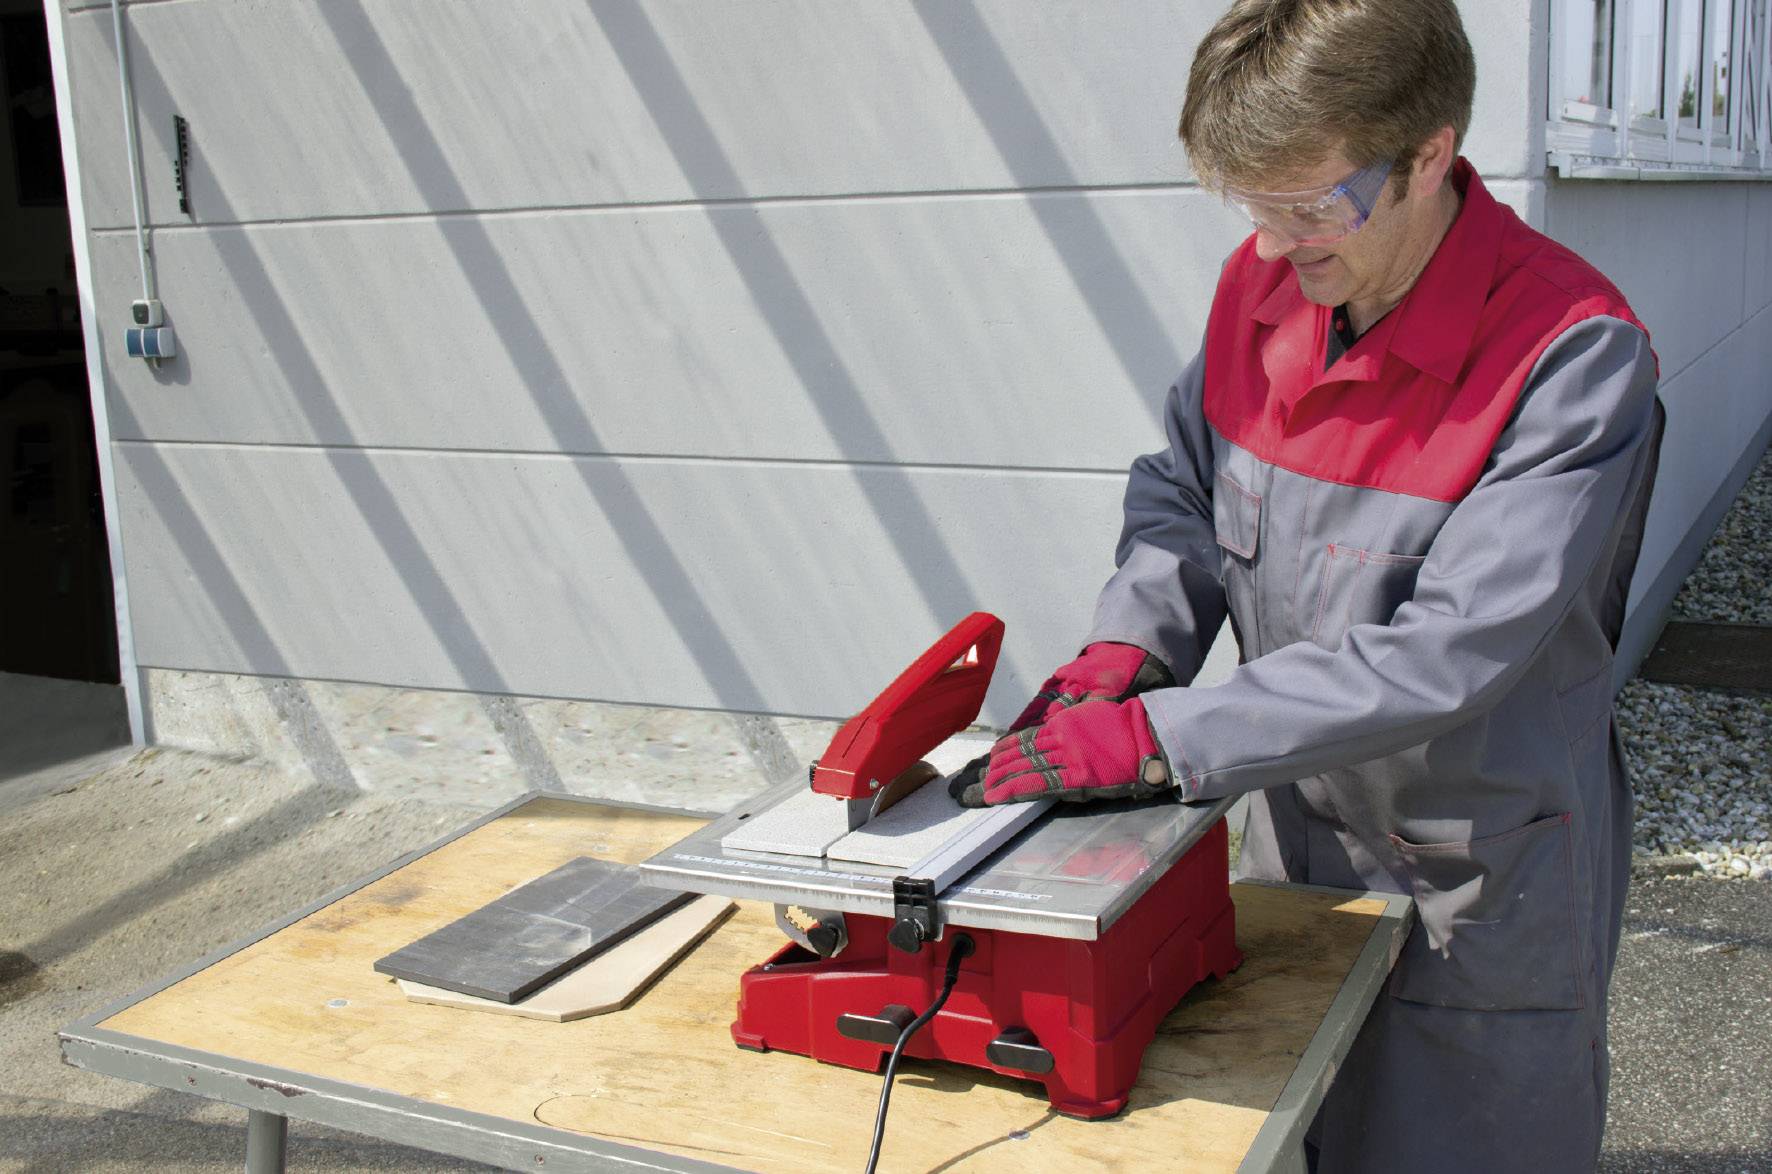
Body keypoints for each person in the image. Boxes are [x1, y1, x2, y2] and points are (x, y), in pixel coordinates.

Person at [952, 1, 1663, 1169]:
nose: (1275, 246)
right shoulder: (1266, 283)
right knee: (1299, 1134)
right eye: (1251, 207)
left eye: (1307, 205)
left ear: (1428, 154)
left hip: (1473, 876)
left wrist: (1154, 740)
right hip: (1295, 840)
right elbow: (1183, 489)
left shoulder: (1570, 354)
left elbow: (1449, 653)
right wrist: (1127, 652)